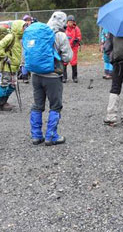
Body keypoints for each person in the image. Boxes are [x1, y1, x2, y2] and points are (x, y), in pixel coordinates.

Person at [29, 11, 72, 145]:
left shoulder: (38, 32)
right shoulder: (60, 36)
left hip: (36, 75)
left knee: (37, 105)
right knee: (55, 106)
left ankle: (36, 136)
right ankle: (51, 136)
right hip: (52, 76)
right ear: (63, 22)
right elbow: (67, 57)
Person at [0, 20, 26, 111]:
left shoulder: (19, 38)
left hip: (14, 67)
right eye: (23, 27)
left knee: (13, 85)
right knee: (4, 84)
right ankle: (0, 104)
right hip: (7, 66)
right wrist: (4, 56)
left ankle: (4, 101)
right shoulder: (10, 36)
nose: (25, 29)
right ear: (18, 28)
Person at [63, 15, 82, 83]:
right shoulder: (64, 28)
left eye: (72, 22)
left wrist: (77, 39)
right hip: (65, 47)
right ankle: (64, 77)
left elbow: (79, 36)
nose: (70, 23)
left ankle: (75, 77)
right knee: (64, 62)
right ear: (67, 22)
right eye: (69, 22)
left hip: (74, 47)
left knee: (73, 61)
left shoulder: (76, 28)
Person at [20, 15, 33, 84]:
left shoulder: (33, 28)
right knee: (24, 61)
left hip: (31, 45)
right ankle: (24, 77)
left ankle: (29, 74)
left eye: (29, 21)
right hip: (24, 46)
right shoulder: (22, 28)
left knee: (30, 60)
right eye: (26, 21)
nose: (28, 22)